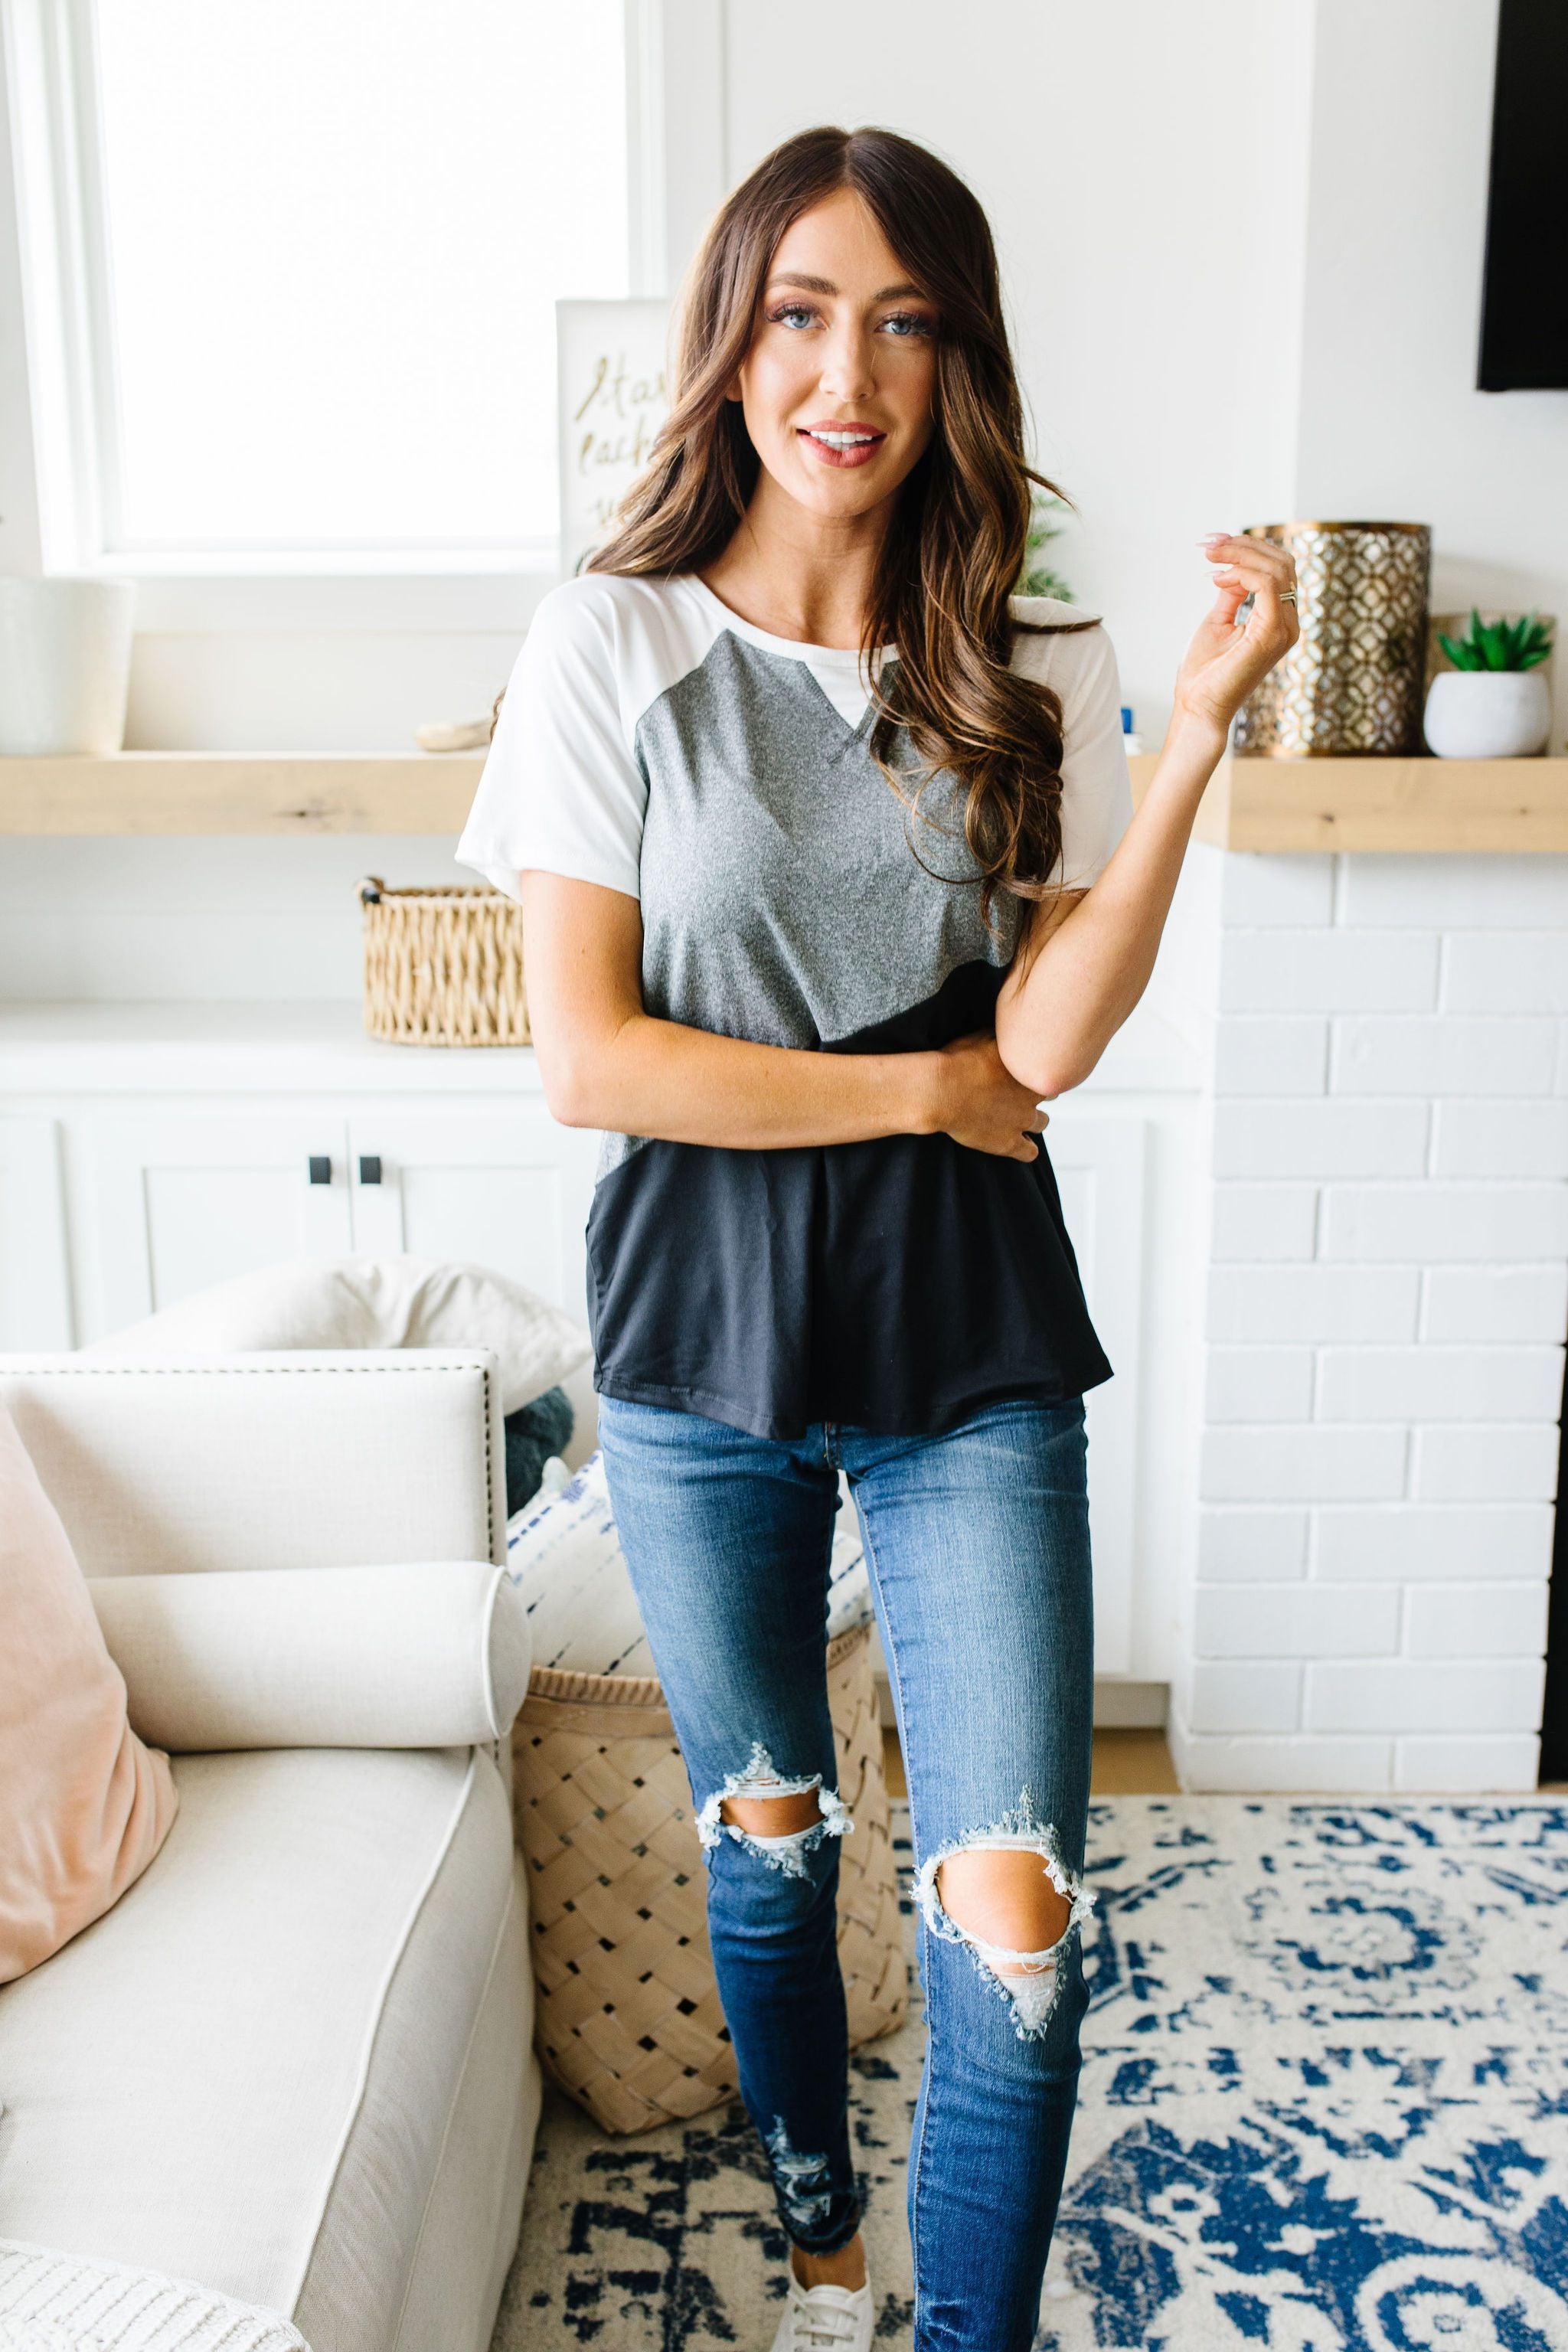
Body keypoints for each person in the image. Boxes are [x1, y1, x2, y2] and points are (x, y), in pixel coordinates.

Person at [457, 122, 1296, 2352]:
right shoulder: (609, 642)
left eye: (906, 321)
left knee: (1016, 1922)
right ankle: (822, 2228)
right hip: (697, 1345)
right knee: (770, 1828)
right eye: (805, 313)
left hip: (971, 1341)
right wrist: (919, 1089)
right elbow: (592, 1058)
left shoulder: (1036, 653)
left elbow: (1047, 1036)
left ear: (959, 363)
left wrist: (1191, 738)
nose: (854, 370)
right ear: (733, 351)